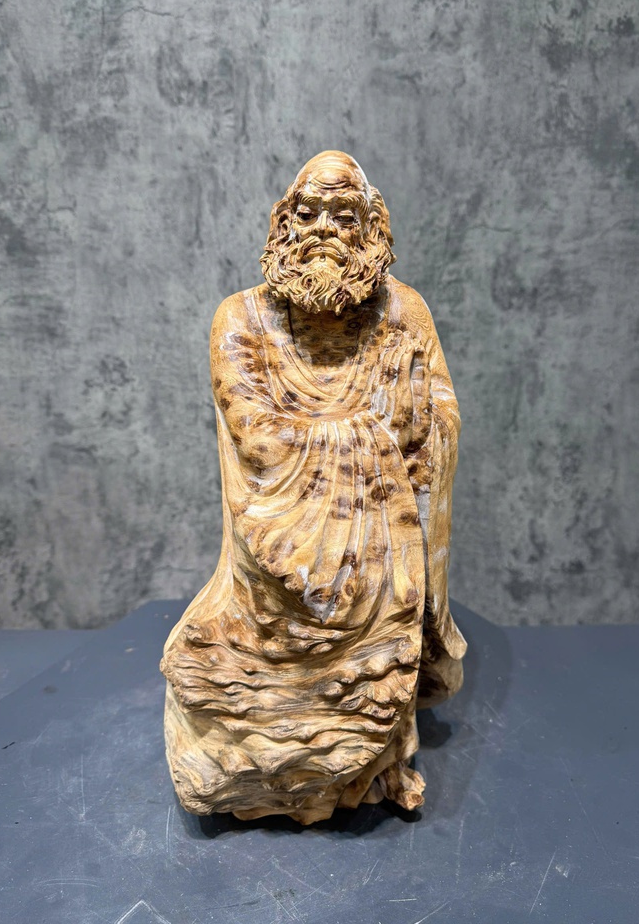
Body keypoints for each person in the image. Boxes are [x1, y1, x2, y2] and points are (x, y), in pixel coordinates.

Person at [161, 151, 466, 824]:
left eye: (344, 215)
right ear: (284, 223)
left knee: (378, 662)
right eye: (308, 213)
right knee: (218, 669)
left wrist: (419, 432)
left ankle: (368, 766)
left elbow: (437, 415)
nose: (324, 228)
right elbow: (261, 440)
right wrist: (380, 431)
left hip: (381, 558)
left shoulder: (403, 312)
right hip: (274, 557)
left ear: (372, 229)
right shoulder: (240, 320)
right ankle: (253, 766)